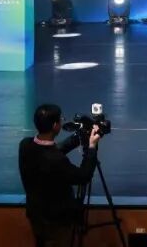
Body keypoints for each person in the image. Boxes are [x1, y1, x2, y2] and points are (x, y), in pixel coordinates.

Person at [17, 103, 102, 247]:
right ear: (55, 125)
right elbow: (83, 176)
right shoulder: (57, 161)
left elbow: (49, 150)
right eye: (60, 119)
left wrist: (77, 138)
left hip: (36, 215)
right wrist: (92, 147)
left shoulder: (25, 145)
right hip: (57, 221)